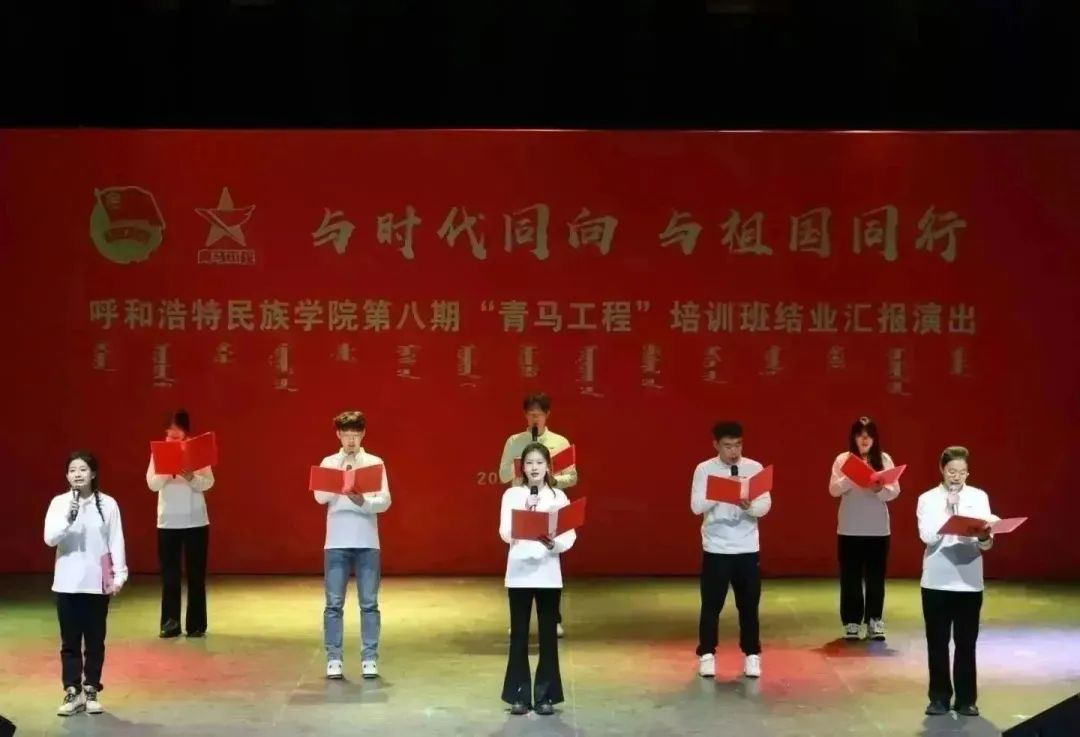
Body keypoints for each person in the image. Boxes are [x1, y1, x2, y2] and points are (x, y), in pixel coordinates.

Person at [44, 451, 128, 716]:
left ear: (93, 474)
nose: (77, 474)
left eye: (82, 469)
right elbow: (50, 539)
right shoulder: (59, 503)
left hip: (97, 581)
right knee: (69, 642)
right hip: (66, 583)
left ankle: (91, 688)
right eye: (72, 470)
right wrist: (68, 519)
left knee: (94, 640)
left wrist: (119, 574)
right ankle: (73, 691)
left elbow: (115, 540)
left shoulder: (108, 504)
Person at [917, 446, 996, 717]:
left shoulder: (979, 497)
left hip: (969, 582)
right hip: (936, 582)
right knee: (937, 643)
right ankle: (939, 697)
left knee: (966, 643)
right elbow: (928, 537)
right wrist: (949, 510)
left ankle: (966, 699)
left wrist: (984, 536)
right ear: (942, 470)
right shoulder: (927, 499)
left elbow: (986, 543)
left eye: (962, 472)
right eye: (952, 471)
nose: (956, 477)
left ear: (968, 473)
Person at [314, 411, 392, 681]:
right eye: (346, 435)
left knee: (369, 604)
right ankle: (334, 658)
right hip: (336, 541)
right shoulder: (329, 462)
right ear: (338, 435)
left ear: (363, 434)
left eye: (355, 435)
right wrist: (339, 479)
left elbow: (385, 501)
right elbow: (319, 497)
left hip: (367, 541)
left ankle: (369, 658)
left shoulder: (374, 462)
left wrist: (364, 502)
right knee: (333, 604)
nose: (351, 440)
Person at [499, 443, 576, 715]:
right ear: (522, 467)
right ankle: (518, 695)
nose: (534, 468)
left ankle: (546, 696)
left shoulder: (558, 497)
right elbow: (504, 532)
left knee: (548, 637)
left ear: (548, 467)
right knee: (519, 636)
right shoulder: (512, 495)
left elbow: (569, 535)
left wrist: (554, 543)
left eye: (539, 463)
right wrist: (525, 519)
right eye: (529, 463)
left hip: (548, 574)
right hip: (519, 573)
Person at [691, 421, 771, 679]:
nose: (733, 451)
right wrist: (721, 491)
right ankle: (707, 654)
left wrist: (748, 506)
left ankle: (752, 655)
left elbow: (765, 506)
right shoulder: (704, 469)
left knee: (749, 606)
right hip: (716, 548)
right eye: (727, 446)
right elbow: (696, 506)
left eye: (738, 445)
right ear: (716, 445)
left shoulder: (754, 468)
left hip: (747, 548)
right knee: (711, 605)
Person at [498, 392, 577, 637]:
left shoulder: (559, 442)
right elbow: (502, 474)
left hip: (548, 505)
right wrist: (521, 468)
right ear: (525, 415)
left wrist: (553, 479)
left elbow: (572, 476)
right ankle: (519, 618)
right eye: (531, 415)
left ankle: (553, 619)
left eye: (539, 415)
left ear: (547, 415)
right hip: (522, 505)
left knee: (550, 562)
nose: (535, 419)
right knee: (520, 560)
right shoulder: (515, 441)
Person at [828, 416, 901, 640]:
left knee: (875, 577)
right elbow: (833, 489)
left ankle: (874, 620)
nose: (864, 439)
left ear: (875, 438)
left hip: (878, 529)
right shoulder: (843, 459)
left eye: (869, 435)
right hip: (850, 528)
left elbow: (894, 491)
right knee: (850, 577)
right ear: (853, 438)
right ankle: (852, 621)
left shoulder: (884, 459)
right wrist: (851, 478)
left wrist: (879, 489)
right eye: (860, 435)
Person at [146, 409, 215, 638]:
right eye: (169, 434)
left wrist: (191, 478)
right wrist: (167, 472)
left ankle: (196, 624)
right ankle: (170, 623)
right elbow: (152, 484)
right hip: (168, 522)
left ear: (186, 433)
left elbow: (209, 482)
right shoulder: (158, 453)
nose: (173, 438)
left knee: (196, 575)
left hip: (196, 521)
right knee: (170, 575)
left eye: (177, 434)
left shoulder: (197, 451)